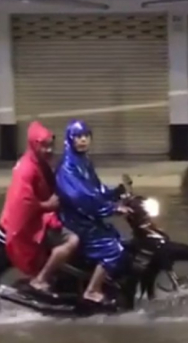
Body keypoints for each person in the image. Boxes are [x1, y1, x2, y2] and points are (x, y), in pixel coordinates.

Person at [0, 121, 80, 295]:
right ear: (34, 145)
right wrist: (46, 205)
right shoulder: (27, 168)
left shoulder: (41, 162)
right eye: (44, 146)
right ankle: (40, 279)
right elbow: (23, 201)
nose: (49, 150)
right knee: (72, 241)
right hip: (34, 221)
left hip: (45, 214)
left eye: (50, 146)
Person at [55, 119, 131, 305]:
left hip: (86, 216)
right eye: (78, 137)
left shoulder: (83, 161)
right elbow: (82, 197)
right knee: (113, 248)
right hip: (76, 219)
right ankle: (92, 290)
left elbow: (96, 189)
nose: (83, 140)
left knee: (117, 236)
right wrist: (111, 208)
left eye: (86, 136)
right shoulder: (68, 166)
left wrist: (116, 192)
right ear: (70, 139)